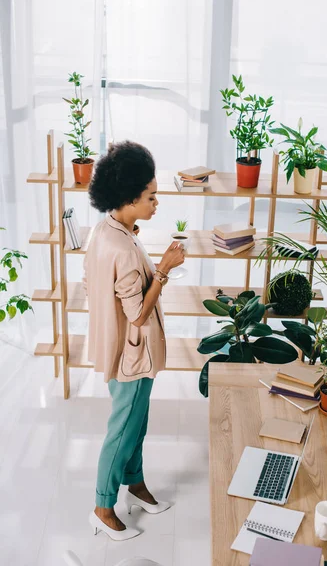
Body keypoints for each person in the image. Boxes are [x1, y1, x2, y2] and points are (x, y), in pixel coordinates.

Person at [83, 141, 185, 541]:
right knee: (123, 428)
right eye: (151, 196)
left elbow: (94, 283)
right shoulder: (122, 246)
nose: (157, 202)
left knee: (137, 424)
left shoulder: (108, 229)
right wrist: (163, 270)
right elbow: (137, 315)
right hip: (131, 357)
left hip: (123, 351)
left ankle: (136, 485)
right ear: (129, 197)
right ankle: (102, 506)